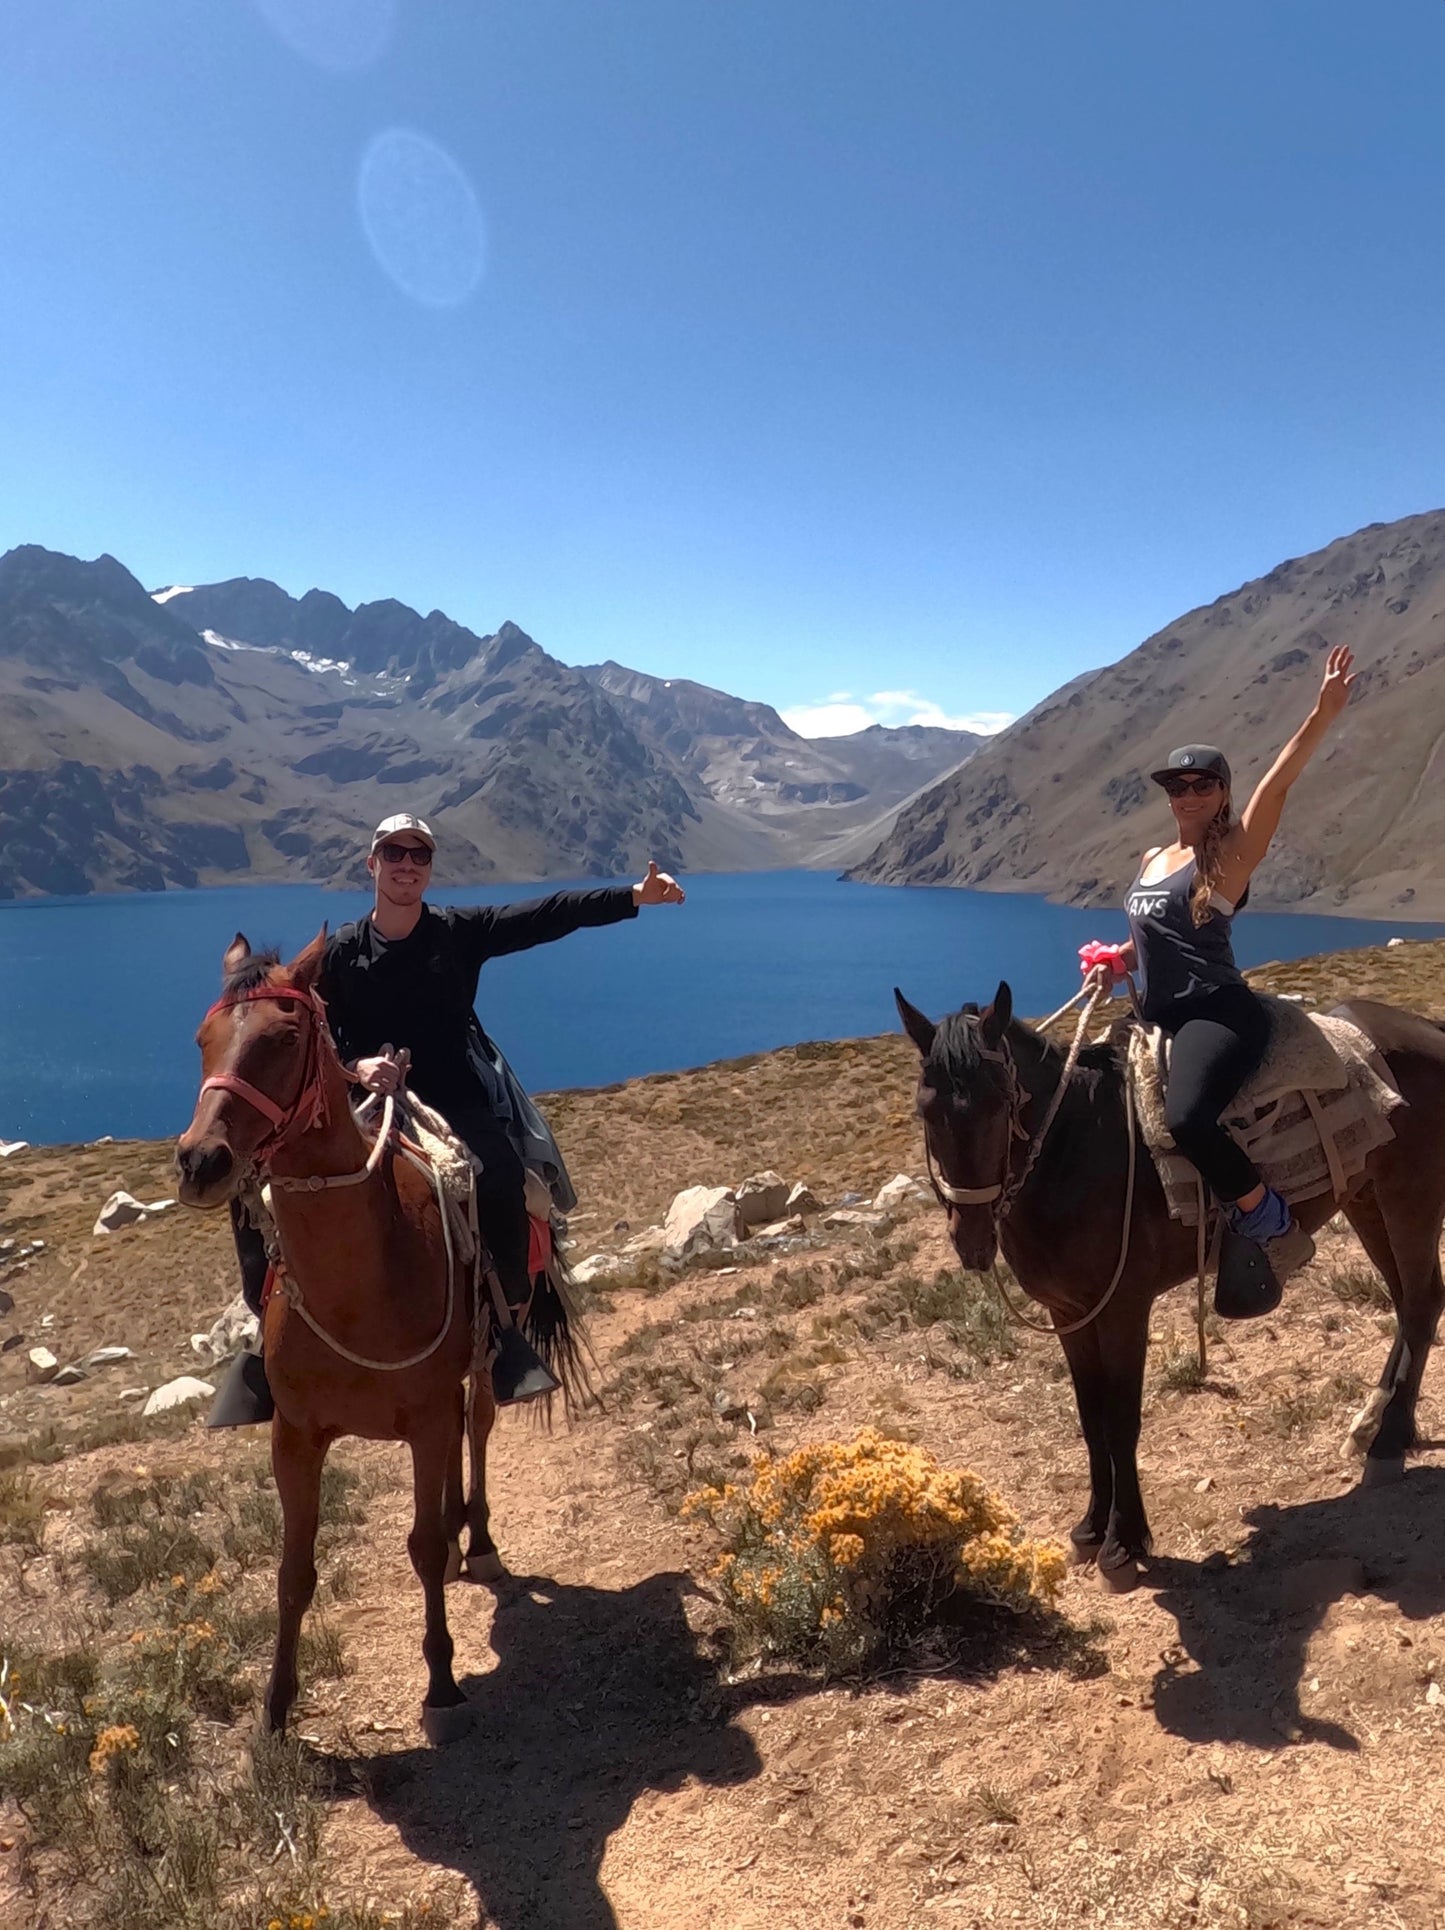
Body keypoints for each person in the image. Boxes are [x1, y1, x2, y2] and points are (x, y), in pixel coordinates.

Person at [211, 813, 685, 1424]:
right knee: (253, 1183)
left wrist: (632, 897)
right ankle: (266, 1346)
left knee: (500, 1175)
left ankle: (504, 1334)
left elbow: (546, 915)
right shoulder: (341, 951)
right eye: (394, 854)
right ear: (372, 864)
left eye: (419, 856)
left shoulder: (460, 932)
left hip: (452, 1093)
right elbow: (315, 1033)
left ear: (429, 869)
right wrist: (358, 1069)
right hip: (363, 1095)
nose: (407, 865)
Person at [1079, 646, 1357, 1317]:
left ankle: (1269, 1224)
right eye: (1176, 786)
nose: (1187, 795)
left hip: (1217, 1013)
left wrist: (1320, 715)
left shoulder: (1229, 854)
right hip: (1157, 1012)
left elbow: (1277, 788)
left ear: (1222, 791)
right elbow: (1157, 934)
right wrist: (1119, 959)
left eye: (1202, 784)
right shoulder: (1154, 857)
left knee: (1187, 1119)